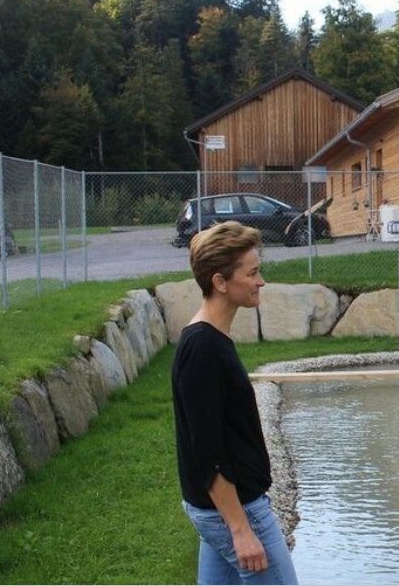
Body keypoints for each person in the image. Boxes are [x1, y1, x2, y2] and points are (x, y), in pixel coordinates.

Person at [172, 221, 298, 585]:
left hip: (223, 509)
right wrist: (240, 530)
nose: (261, 281)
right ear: (220, 282)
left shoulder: (211, 340)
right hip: (236, 511)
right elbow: (207, 452)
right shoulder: (203, 349)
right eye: (252, 273)